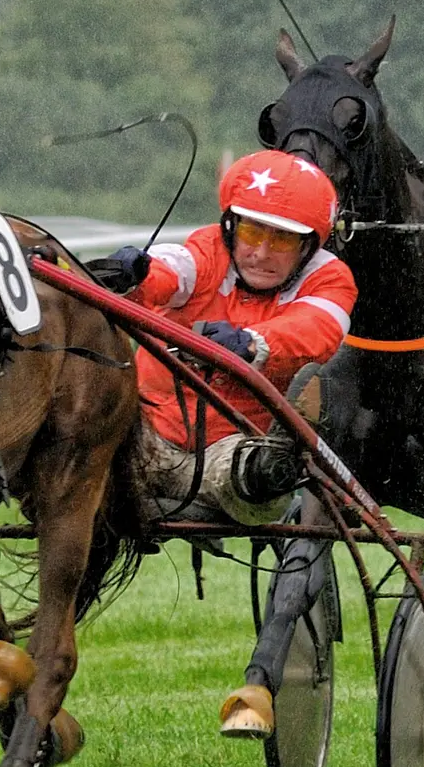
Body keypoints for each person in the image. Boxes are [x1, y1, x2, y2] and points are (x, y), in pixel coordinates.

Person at [89, 150, 354, 531]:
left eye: (282, 240)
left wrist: (251, 343)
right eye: (251, 232)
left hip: (233, 450)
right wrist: (135, 275)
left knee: (259, 471)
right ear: (230, 228)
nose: (261, 253)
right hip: (146, 436)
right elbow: (173, 269)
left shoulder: (330, 278)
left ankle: (258, 479)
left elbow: (316, 330)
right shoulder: (209, 249)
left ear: (309, 245)